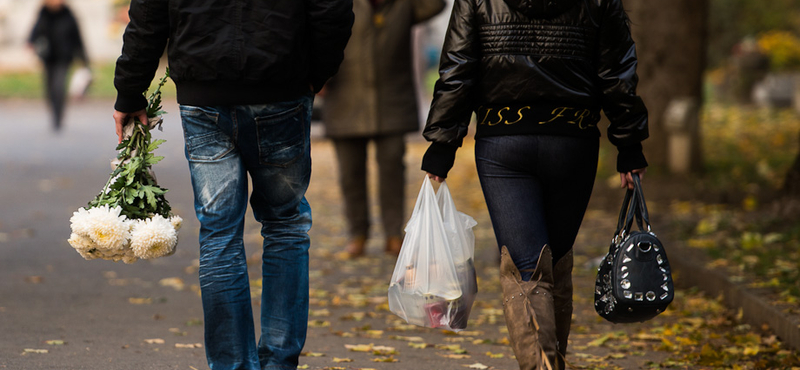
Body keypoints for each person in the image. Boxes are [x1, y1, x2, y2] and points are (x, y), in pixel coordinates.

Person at [112, 1, 353, 369]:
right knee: (285, 225)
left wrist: (130, 88)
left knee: (219, 232)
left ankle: (232, 364)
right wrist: (316, 71)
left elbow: (148, 12)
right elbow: (330, 8)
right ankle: (278, 359)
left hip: (204, 89)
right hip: (281, 88)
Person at [421, 0, 649, 368]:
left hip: (502, 143)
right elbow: (616, 72)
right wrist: (629, 144)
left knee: (527, 268)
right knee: (554, 262)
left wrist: (442, 145)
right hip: (573, 140)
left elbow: (459, 68)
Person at [322, 0, 446, 258]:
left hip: (392, 100)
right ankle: (357, 234)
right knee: (350, 173)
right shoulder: (340, 4)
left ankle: (393, 235)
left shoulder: (404, 4)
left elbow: (436, 4)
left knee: (392, 167)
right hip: (346, 98)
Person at [28, 0, 88, 131]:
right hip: (48, 57)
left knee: (59, 86)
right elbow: (35, 30)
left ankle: (58, 116)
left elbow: (77, 38)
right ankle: (54, 113)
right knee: (49, 88)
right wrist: (30, 41)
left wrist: (84, 59)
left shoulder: (68, 15)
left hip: (64, 57)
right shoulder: (43, 14)